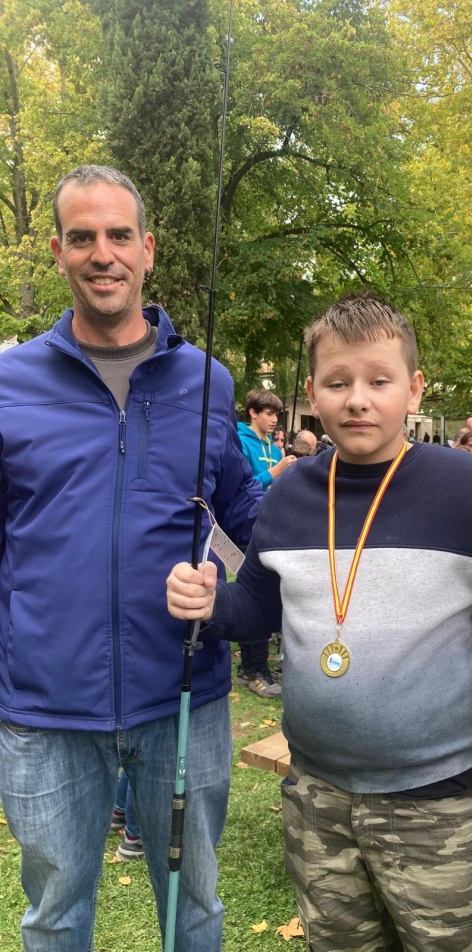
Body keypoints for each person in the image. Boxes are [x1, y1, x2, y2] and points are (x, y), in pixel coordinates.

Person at [167, 291, 472, 952]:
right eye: (337, 382)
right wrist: (212, 603)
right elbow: (257, 608)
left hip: (439, 805)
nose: (358, 399)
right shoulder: (291, 492)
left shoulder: (466, 486)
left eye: (379, 381)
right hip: (319, 799)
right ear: (313, 394)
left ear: (413, 390)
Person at [0, 165, 263, 952]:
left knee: (196, 908)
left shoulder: (206, 380)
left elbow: (250, 525)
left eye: (119, 235)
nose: (102, 253)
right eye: (82, 237)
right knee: (53, 916)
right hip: (46, 712)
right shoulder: (9, 384)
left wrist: (231, 599)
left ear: (148, 250)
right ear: (57, 251)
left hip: (183, 702)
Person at [235, 390, 296, 697]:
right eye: (269, 413)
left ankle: (262, 664)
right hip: (247, 531)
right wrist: (276, 471)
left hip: (274, 529)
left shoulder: (274, 447)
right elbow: (239, 488)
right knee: (254, 598)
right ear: (253, 413)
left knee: (274, 596)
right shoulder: (239, 442)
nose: (274, 419)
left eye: (276, 414)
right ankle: (252, 669)